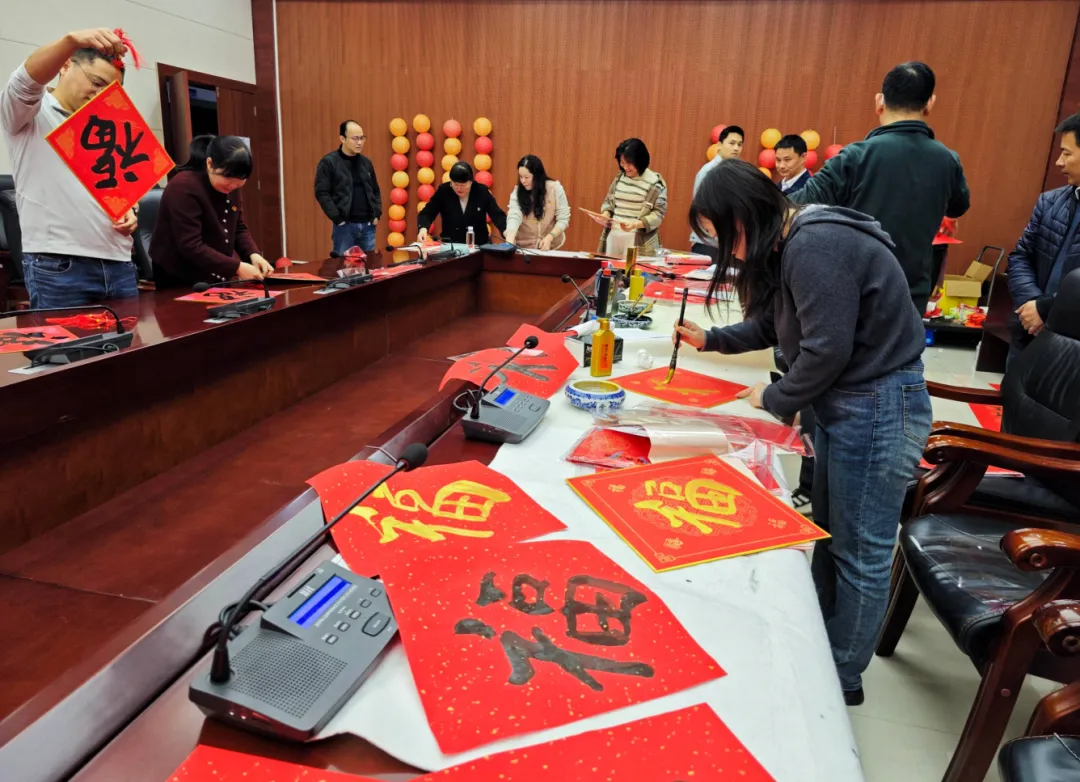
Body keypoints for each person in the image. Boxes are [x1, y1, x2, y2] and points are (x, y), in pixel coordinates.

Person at [673, 161, 930, 706]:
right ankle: (820, 650)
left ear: (745, 215)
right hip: (849, 400)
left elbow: (825, 350)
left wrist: (774, 397)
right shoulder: (789, 243)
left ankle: (839, 678)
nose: (727, 252)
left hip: (877, 404)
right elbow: (775, 324)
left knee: (860, 550)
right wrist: (712, 339)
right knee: (832, 534)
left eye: (723, 235)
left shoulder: (815, 245)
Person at [791, 62, 970, 316]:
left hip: (852, 293)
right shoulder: (948, 161)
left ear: (879, 102)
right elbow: (959, 206)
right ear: (929, 104)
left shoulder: (855, 157)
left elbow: (794, 205)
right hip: (910, 296)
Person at [0, 28, 140, 308]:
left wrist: (130, 211)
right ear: (65, 66)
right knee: (64, 338)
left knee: (127, 337)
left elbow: (121, 187)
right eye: (96, 82)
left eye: (110, 91)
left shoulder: (110, 127)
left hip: (120, 262)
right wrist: (71, 41)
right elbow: (24, 81)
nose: (100, 95)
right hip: (59, 265)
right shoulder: (31, 112)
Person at [1005, 112, 1080, 365]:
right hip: (1030, 330)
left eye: (1066, 153)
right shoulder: (1050, 201)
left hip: (1072, 344)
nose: (1059, 162)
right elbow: (1020, 256)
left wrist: (1047, 308)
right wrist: (1033, 304)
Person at [150, 135, 274, 287]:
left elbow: (238, 227)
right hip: (180, 274)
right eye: (227, 178)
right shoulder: (183, 187)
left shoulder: (230, 186)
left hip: (215, 269)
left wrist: (253, 254)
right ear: (209, 164)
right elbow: (190, 244)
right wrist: (237, 267)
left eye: (239, 182)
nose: (232, 186)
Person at [315, 120, 382, 255]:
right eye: (355, 138)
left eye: (362, 138)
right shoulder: (329, 162)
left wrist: (377, 214)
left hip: (368, 227)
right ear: (342, 139)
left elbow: (375, 190)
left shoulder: (366, 163)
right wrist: (338, 219)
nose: (360, 142)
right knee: (344, 266)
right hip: (345, 227)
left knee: (370, 265)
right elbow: (322, 193)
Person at [598, 138, 668, 256]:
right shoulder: (619, 178)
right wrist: (605, 215)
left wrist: (636, 224)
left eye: (629, 163)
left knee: (632, 268)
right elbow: (608, 202)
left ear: (640, 160)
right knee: (609, 267)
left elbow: (658, 215)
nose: (625, 167)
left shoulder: (655, 182)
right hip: (614, 234)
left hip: (637, 239)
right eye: (622, 162)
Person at [417, 162, 506, 245]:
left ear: (471, 182)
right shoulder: (444, 191)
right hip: (451, 246)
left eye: (463, 185)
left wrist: (506, 231)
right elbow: (427, 213)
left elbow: (497, 215)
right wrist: (423, 229)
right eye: (455, 184)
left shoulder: (481, 191)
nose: (459, 188)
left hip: (479, 245)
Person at [690, 126, 744, 258]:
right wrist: (716, 235)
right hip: (709, 242)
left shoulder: (740, 173)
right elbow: (700, 207)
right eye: (732, 143)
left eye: (739, 144)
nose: (736, 148)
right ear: (719, 145)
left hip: (731, 244)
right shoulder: (708, 171)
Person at [503, 155, 570, 250]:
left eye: (527, 177)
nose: (523, 181)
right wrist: (510, 237)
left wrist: (550, 237)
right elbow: (514, 215)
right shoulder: (517, 192)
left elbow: (563, 219)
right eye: (521, 177)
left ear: (537, 176)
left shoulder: (555, 189)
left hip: (550, 247)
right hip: (523, 247)